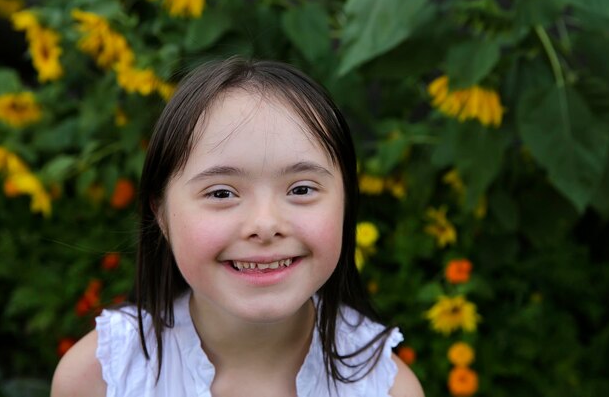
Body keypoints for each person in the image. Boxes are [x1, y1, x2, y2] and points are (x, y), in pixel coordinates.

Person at [51, 58, 424, 397]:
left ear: (346, 205)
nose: (264, 225)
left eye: (301, 189)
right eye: (222, 193)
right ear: (161, 213)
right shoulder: (102, 378)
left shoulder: (385, 388)